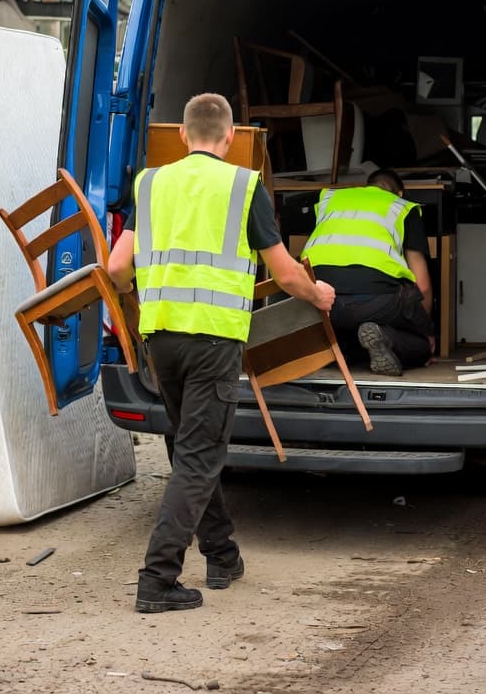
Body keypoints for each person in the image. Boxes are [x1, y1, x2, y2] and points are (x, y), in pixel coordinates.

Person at [108, 92, 335, 614]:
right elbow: (284, 273)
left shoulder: (151, 182)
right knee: (198, 457)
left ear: (183, 135)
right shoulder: (244, 186)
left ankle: (221, 554)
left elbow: (119, 269)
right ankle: (157, 579)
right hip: (213, 339)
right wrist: (318, 294)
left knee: (191, 449)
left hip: (161, 338)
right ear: (230, 137)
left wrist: (137, 292)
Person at [301, 168, 433, 376]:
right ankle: (385, 337)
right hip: (376, 301)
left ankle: (339, 348)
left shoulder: (330, 200)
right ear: (400, 193)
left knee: (345, 325)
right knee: (422, 347)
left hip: (320, 299)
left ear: (367, 187)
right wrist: (424, 330)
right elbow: (422, 285)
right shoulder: (401, 207)